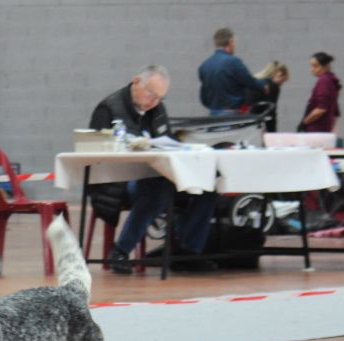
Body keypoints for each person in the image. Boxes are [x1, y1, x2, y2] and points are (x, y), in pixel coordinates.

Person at [90, 65, 219, 274]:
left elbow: (167, 142)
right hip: (116, 183)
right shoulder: (109, 109)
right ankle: (121, 251)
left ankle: (187, 251)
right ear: (136, 82)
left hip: (155, 176)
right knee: (157, 188)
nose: (154, 102)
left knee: (206, 187)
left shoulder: (157, 109)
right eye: (151, 94)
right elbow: (95, 154)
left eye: (160, 97)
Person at [198, 27, 268, 116]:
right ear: (231, 41)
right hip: (232, 114)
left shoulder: (204, 66)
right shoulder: (234, 62)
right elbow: (249, 81)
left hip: (213, 114)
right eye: (234, 42)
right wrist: (263, 85)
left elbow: (204, 94)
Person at [300, 52, 342, 134]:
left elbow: (321, 108)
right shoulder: (331, 79)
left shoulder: (324, 81)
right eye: (311, 66)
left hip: (317, 128)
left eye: (315, 66)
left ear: (325, 66)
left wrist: (304, 122)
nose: (311, 69)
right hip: (324, 126)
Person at [252, 61, 289, 133]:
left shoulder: (255, 82)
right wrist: (273, 132)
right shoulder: (273, 86)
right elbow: (271, 111)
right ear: (280, 74)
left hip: (248, 120)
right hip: (260, 123)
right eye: (283, 81)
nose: (282, 84)